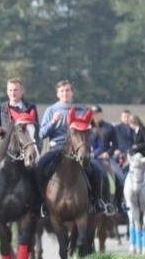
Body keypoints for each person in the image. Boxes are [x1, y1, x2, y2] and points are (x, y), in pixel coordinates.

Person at [35, 80, 111, 216]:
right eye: (62, 91)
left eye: (68, 90)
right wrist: (53, 122)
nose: (65, 93)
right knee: (40, 167)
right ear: (57, 93)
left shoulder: (81, 110)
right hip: (57, 146)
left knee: (98, 169)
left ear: (72, 92)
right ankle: (41, 203)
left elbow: (89, 130)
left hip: (78, 148)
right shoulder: (51, 110)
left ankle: (98, 201)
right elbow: (41, 134)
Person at [0, 78, 39, 220]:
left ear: (22, 91)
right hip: (6, 148)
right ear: (7, 92)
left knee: (35, 172)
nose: (13, 93)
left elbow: (35, 128)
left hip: (25, 146)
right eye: (10, 90)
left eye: (16, 90)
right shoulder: (2, 107)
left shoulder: (30, 107)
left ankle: (39, 204)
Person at [90, 106, 127, 214]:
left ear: (101, 114)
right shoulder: (86, 127)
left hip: (105, 158)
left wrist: (108, 153)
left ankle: (120, 203)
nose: (95, 116)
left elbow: (115, 144)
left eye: (97, 113)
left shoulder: (109, 128)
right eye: (93, 114)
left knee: (119, 176)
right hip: (90, 158)